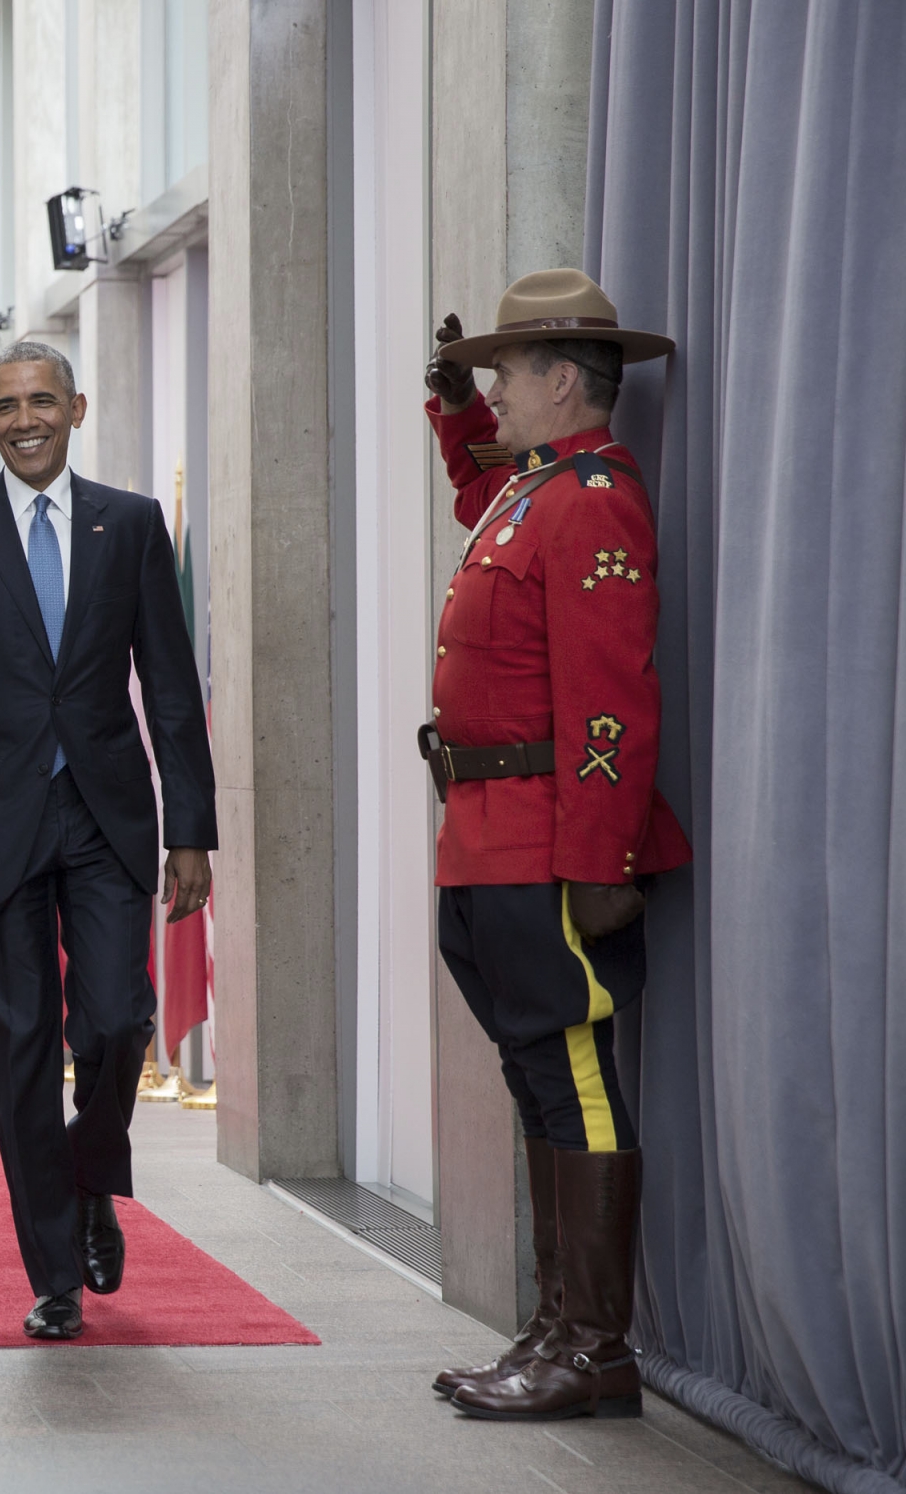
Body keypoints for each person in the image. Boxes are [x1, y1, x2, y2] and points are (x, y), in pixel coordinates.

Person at [0, 341, 215, 1341]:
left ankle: (88, 1177)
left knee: (117, 1022)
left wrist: (191, 829)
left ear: (75, 408)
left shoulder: (127, 525)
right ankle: (52, 1273)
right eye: (5, 406)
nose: (24, 417)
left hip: (105, 816)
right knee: (18, 1051)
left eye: (41, 400)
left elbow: (169, 684)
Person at [418, 268, 690, 1421]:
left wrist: (597, 861)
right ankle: (553, 1323)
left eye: (503, 374)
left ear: (561, 383)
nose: (495, 390)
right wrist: (454, 414)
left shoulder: (590, 502)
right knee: (538, 1079)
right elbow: (481, 492)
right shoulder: (535, 490)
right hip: (486, 840)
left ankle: (594, 1347)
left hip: (544, 849)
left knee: (572, 1082)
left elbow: (607, 703)